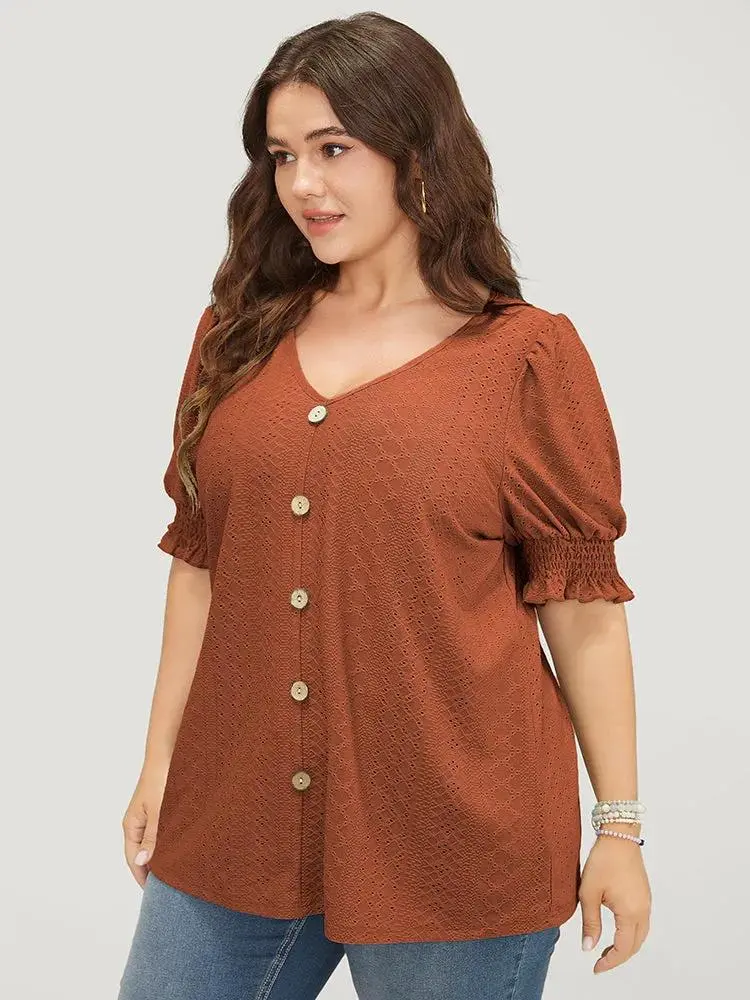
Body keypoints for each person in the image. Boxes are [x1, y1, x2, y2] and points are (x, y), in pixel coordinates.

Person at [118, 11, 651, 1000]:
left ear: (419, 151)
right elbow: (200, 565)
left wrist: (618, 827)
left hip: (458, 841)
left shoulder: (524, 355)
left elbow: (582, 609)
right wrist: (161, 765)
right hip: (234, 815)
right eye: (283, 155)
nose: (303, 184)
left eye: (335, 149)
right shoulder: (235, 337)